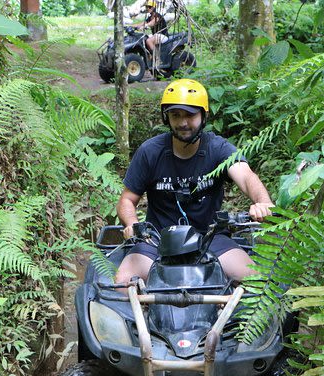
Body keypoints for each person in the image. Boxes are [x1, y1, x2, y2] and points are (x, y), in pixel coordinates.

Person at [115, 79, 274, 284]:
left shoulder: (217, 148)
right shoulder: (150, 152)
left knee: (256, 283)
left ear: (203, 115)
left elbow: (246, 176)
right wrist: (132, 224)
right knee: (121, 283)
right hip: (157, 240)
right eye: (175, 115)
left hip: (210, 238)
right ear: (167, 118)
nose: (183, 123)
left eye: (190, 115)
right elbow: (127, 200)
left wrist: (263, 202)